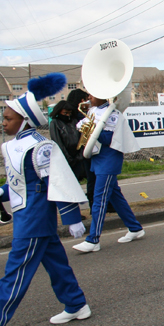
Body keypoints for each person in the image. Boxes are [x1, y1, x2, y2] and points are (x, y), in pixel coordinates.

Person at [0, 73, 91, 326]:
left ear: (25, 120)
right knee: (55, 263)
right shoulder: (13, 146)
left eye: (8, 119)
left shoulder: (40, 147)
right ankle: (77, 304)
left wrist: (71, 218)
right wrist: (2, 192)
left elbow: (58, 182)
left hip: (34, 218)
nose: (3, 122)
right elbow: (18, 181)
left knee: (15, 272)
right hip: (25, 214)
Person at [72, 91, 145, 253]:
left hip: (109, 158)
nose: (89, 97)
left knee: (99, 198)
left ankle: (93, 239)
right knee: (114, 196)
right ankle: (135, 228)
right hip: (98, 158)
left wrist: (91, 130)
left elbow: (107, 138)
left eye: (92, 94)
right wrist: (83, 127)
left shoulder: (113, 114)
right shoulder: (92, 111)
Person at [66, 88, 95, 209]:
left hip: (80, 153)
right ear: (82, 100)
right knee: (91, 179)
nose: (89, 101)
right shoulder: (78, 116)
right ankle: (92, 204)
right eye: (87, 99)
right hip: (79, 154)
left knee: (90, 179)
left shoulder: (72, 115)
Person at [49, 100, 87, 182]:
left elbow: (82, 138)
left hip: (77, 158)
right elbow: (57, 142)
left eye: (69, 113)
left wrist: (79, 156)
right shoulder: (55, 123)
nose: (67, 115)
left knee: (76, 181)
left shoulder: (74, 121)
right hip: (65, 159)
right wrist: (68, 158)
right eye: (65, 113)